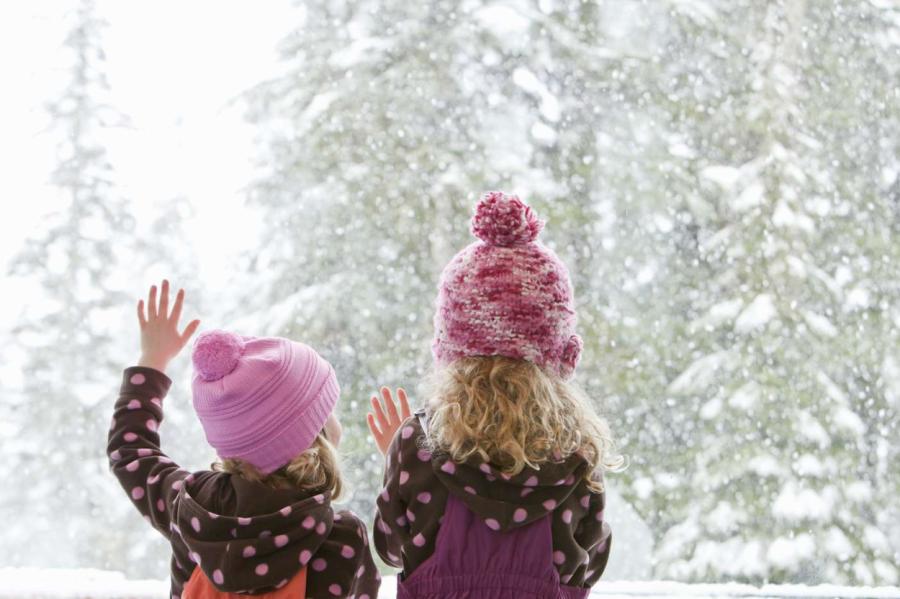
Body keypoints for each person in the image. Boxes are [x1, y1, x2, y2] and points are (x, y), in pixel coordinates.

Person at [368, 191, 623, 598]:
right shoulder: (578, 453)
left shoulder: (419, 446)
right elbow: (590, 561)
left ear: (450, 349)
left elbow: (391, 549)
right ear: (560, 352)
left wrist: (398, 462)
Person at [108, 280, 379, 599]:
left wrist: (151, 360)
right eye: (326, 411)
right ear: (313, 440)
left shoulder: (192, 509)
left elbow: (129, 452)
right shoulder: (340, 540)